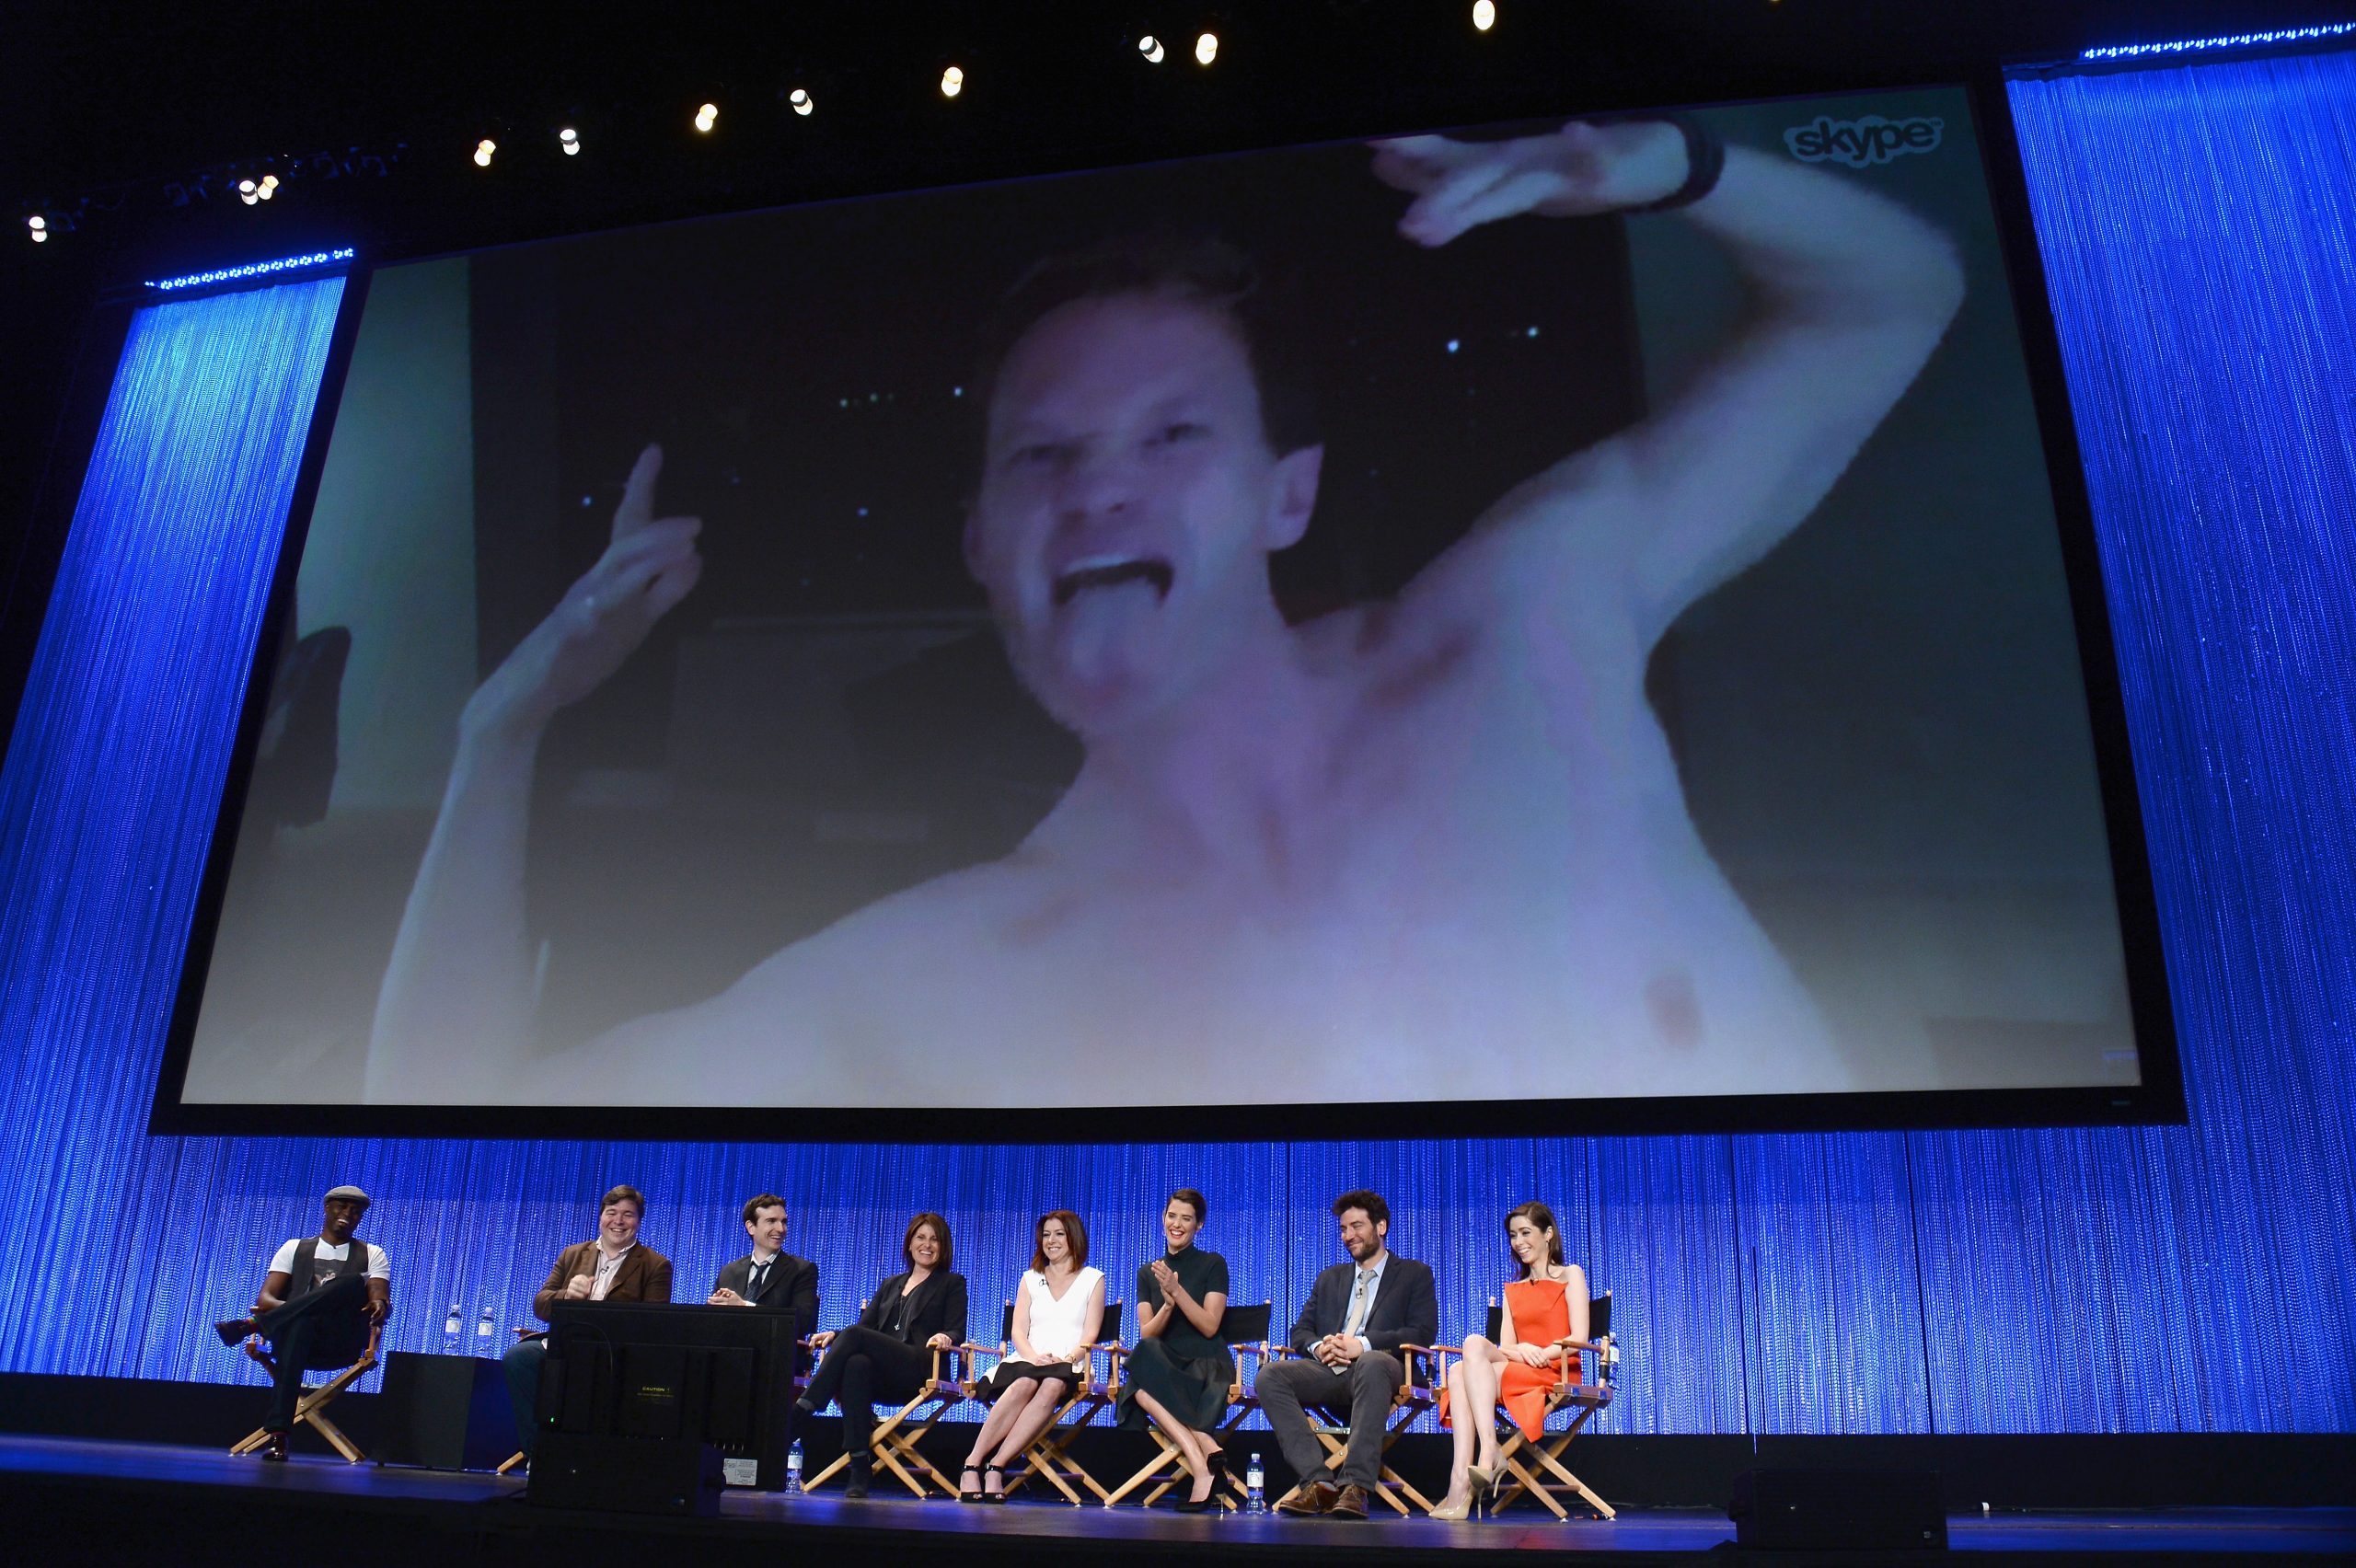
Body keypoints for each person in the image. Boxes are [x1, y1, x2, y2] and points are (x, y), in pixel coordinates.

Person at [366, 115, 1965, 1106]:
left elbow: (1891, 296)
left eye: (1172, 434)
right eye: (1044, 455)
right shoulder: (941, 973)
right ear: (984, 543)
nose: (1099, 490)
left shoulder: (1523, 627)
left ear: (1286, 496)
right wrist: (496, 733)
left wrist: (1674, 164)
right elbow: (435, 1118)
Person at [1257, 1189, 1438, 1520]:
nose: (1348, 1236)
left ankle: (1355, 1485)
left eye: (1356, 1226)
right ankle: (1318, 1483)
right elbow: (1300, 1332)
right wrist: (1320, 1347)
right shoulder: (1330, 1278)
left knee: (1371, 1361)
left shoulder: (1414, 1274)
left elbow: (1422, 1332)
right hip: (1332, 1371)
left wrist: (1363, 1344)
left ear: (1381, 1227)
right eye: (1343, 1229)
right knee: (1270, 1375)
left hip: (1386, 1369)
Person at [1428, 1200, 1589, 1522]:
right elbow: (1508, 1347)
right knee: (1461, 1364)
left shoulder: (1570, 1274)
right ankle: (1465, 1471)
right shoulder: (1512, 1289)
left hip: (1556, 1370)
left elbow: (1579, 1337)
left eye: (1525, 1233)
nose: (1518, 1242)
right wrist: (1525, 1349)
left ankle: (1478, 1464)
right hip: (1518, 1367)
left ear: (1548, 1234)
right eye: (1513, 1235)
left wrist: (1542, 1352)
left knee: (1464, 1364)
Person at [794, 1213, 967, 1499]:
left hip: (923, 1367)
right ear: (909, 1244)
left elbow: (957, 1329)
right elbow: (864, 1329)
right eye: (920, 1238)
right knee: (856, 1364)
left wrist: (945, 1337)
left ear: (943, 1246)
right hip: (884, 1374)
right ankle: (860, 1465)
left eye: (934, 1240)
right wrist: (834, 1335)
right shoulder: (891, 1284)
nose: (927, 1245)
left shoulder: (952, 1283)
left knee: (854, 1338)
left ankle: (804, 1408)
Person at [214, 1184, 389, 1460]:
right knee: (300, 1325)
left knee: (353, 1282)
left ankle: (253, 1325)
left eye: (356, 1211)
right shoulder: (294, 1248)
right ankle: (278, 1437)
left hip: (339, 1341)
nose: (348, 1214)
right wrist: (301, 1311)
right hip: (295, 1340)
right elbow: (266, 1298)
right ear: (327, 1208)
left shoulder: (372, 1253)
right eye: (342, 1207)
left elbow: (378, 1293)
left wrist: (379, 1303)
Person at [502, 1185, 673, 1463]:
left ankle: (598, 1456)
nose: (618, 1221)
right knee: (519, 1358)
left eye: (628, 1215)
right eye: (611, 1213)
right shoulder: (573, 1254)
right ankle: (541, 1453)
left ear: (639, 1221)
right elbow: (541, 1305)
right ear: (601, 1217)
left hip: (615, 1349)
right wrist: (567, 1295)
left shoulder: (655, 1264)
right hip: (566, 1343)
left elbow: (655, 1322)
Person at [956, 1210, 1104, 1503]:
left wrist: (1066, 1359)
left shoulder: (1093, 1279)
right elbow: (1018, 1332)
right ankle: (971, 1464)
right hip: (1028, 1358)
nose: (1051, 1241)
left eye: (1059, 1234)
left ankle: (996, 1467)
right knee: (1024, 1383)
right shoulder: (1030, 1278)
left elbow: (1090, 1335)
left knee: (1052, 1384)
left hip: (1069, 1363)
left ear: (1074, 1237)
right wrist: (1034, 1358)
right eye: (1046, 1235)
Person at [1115, 1187, 1233, 1512]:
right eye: (1171, 1216)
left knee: (1138, 1384)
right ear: (1163, 1218)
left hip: (1206, 1364)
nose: (1177, 1224)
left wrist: (1177, 1291)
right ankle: (1201, 1455)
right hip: (1165, 1367)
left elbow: (1210, 1326)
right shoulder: (1147, 1272)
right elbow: (1147, 1334)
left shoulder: (1213, 1264)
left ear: (1199, 1225)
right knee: (1144, 1354)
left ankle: (1202, 1461)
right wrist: (1167, 1306)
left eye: (1186, 1218)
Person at [708, 1192, 819, 1334]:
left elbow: (801, 1323)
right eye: (771, 1221)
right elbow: (710, 1321)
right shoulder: (728, 1272)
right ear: (751, 1227)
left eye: (784, 1222)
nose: (781, 1229)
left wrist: (744, 1306)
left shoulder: (802, 1270)